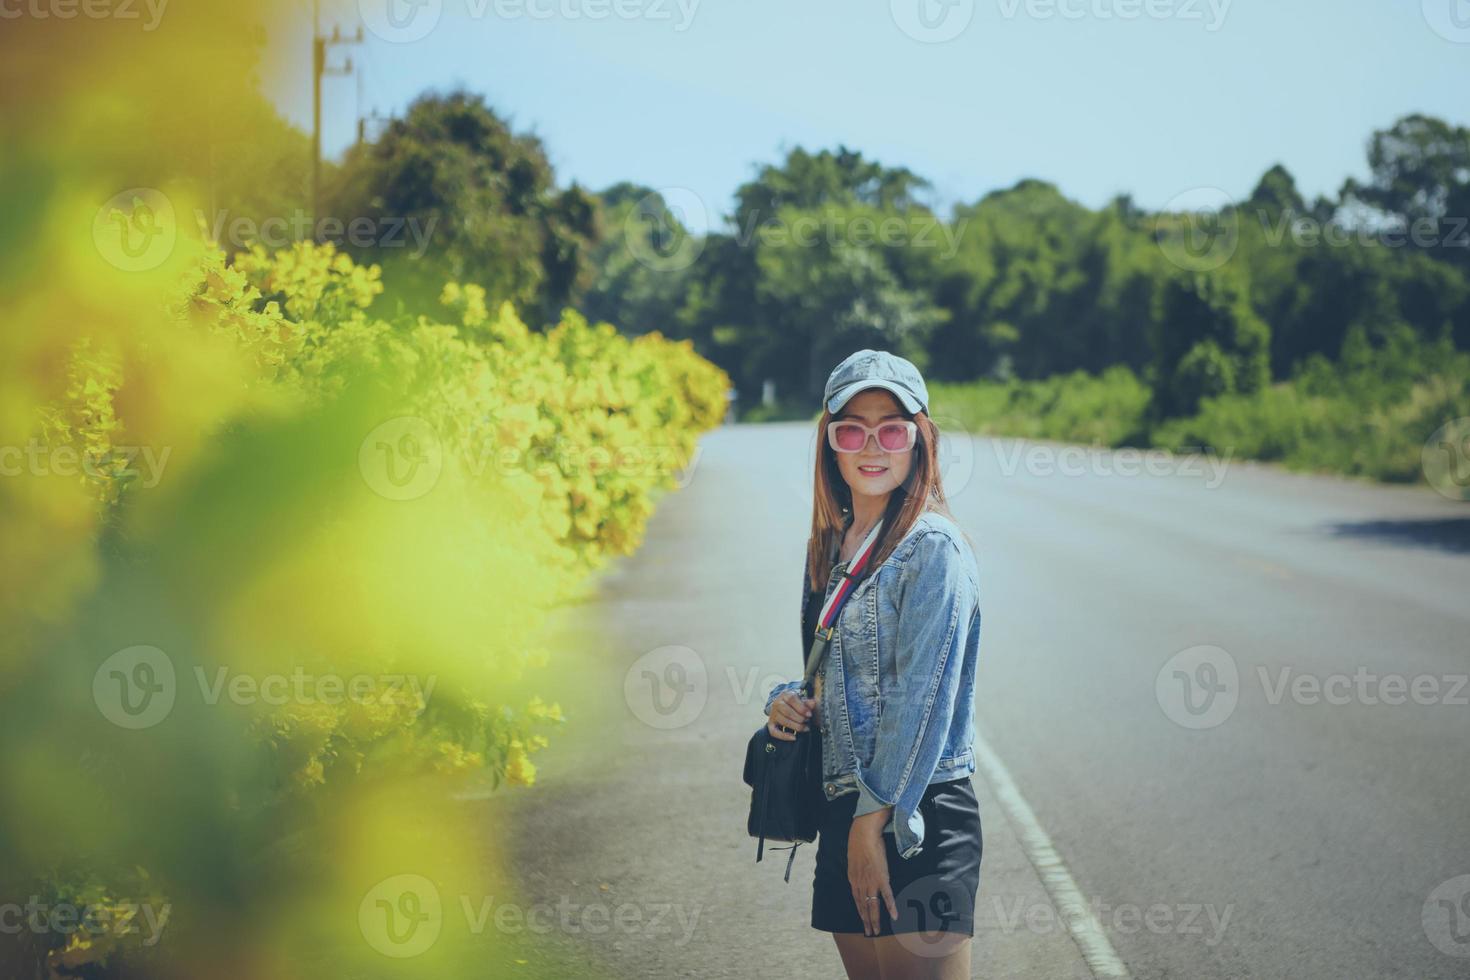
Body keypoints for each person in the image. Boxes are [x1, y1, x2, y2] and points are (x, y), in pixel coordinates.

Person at [762, 349, 983, 980]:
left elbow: (921, 702)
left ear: (920, 440)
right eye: (852, 428)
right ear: (830, 442)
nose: (872, 445)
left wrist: (871, 823)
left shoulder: (933, 548)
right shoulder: (829, 546)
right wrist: (787, 699)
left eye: (892, 428)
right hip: (841, 804)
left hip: (918, 811)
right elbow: (832, 677)